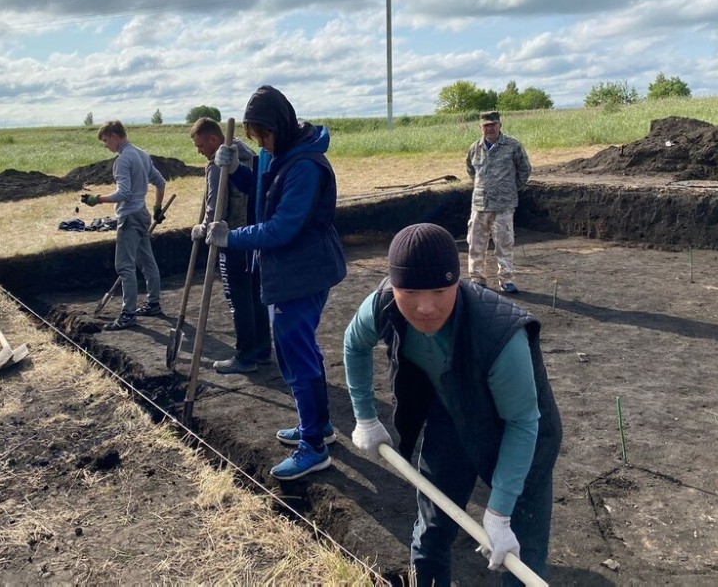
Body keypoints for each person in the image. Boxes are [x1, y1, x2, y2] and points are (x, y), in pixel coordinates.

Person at [342, 223, 561, 585]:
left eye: (440, 290)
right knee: (431, 533)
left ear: (457, 283)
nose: (425, 307)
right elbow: (354, 344)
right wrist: (365, 416)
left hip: (521, 436)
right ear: (393, 285)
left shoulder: (499, 334)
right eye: (409, 290)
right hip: (452, 418)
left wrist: (500, 511)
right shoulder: (382, 305)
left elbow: (523, 422)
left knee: (518, 552)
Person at [206, 85, 347, 480]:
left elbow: (283, 226)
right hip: (292, 269)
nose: (261, 144)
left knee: (295, 357)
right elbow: (263, 197)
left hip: (303, 271)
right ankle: (318, 427)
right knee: (301, 351)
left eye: (263, 136)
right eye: (255, 139)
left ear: (280, 126)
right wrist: (237, 172)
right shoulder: (281, 153)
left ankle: (313, 448)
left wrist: (231, 238)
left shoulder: (305, 165)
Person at [188, 117, 272, 374]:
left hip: (231, 240)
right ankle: (261, 349)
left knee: (238, 299)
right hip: (252, 237)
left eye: (200, 145)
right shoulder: (250, 156)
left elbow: (216, 210)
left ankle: (245, 357)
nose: (199, 151)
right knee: (254, 295)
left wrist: (201, 230)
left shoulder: (218, 166)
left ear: (213, 139)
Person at [81, 120, 167, 330]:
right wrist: (157, 207)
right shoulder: (142, 154)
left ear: (114, 136)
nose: (106, 146)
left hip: (129, 217)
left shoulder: (122, 160)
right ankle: (153, 304)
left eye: (105, 141)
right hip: (143, 214)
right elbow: (161, 182)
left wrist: (97, 199)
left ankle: (128, 314)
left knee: (124, 266)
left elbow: (124, 193)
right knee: (146, 261)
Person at [465, 110, 531, 293]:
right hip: (479, 204)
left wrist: (509, 189)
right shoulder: (474, 148)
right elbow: (471, 171)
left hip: (504, 205)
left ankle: (506, 279)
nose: (490, 128)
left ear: (500, 125)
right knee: (476, 243)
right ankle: (477, 278)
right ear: (481, 127)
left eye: (493, 125)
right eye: (486, 125)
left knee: (504, 243)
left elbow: (524, 170)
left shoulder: (512, 146)